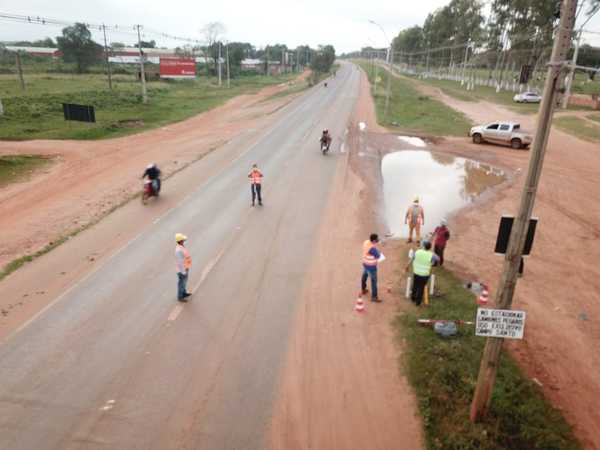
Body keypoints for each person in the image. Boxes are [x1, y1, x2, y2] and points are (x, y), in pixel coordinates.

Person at [405, 240, 439, 306]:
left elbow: (411, 259)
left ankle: (413, 298)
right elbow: (438, 259)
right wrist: (432, 254)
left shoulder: (417, 252)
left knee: (415, 285)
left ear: (423, 246)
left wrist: (407, 266)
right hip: (425, 275)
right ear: (429, 247)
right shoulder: (431, 254)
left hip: (416, 272)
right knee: (421, 287)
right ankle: (418, 302)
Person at [361, 233, 383, 302]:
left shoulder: (366, 242)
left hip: (365, 264)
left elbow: (372, 243)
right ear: (373, 240)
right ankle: (374, 297)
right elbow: (378, 256)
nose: (377, 240)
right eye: (376, 239)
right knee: (374, 281)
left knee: (364, 277)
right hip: (371, 267)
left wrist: (376, 242)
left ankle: (363, 289)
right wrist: (378, 250)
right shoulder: (372, 249)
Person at [175, 233, 192, 302]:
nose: (184, 241)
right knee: (181, 283)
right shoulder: (178, 250)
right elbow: (180, 262)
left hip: (185, 267)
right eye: (183, 240)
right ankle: (180, 297)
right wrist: (183, 272)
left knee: (184, 282)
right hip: (182, 270)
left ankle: (184, 293)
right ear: (180, 241)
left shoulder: (181, 247)